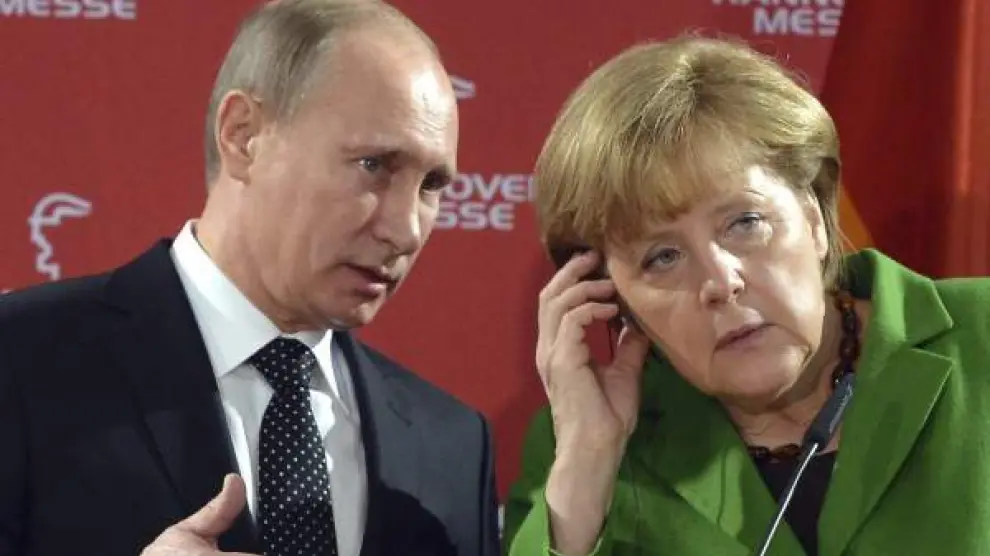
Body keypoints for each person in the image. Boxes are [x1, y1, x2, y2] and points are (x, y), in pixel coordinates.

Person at [0, 1, 500, 555]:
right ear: (243, 136)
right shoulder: (19, 361)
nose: (406, 230)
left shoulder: (454, 446)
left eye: (432, 185)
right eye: (374, 165)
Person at [503, 34, 990, 556]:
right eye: (662, 257)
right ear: (614, 300)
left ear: (814, 215)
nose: (720, 281)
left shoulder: (978, 336)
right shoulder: (583, 442)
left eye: (745, 222)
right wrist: (589, 462)